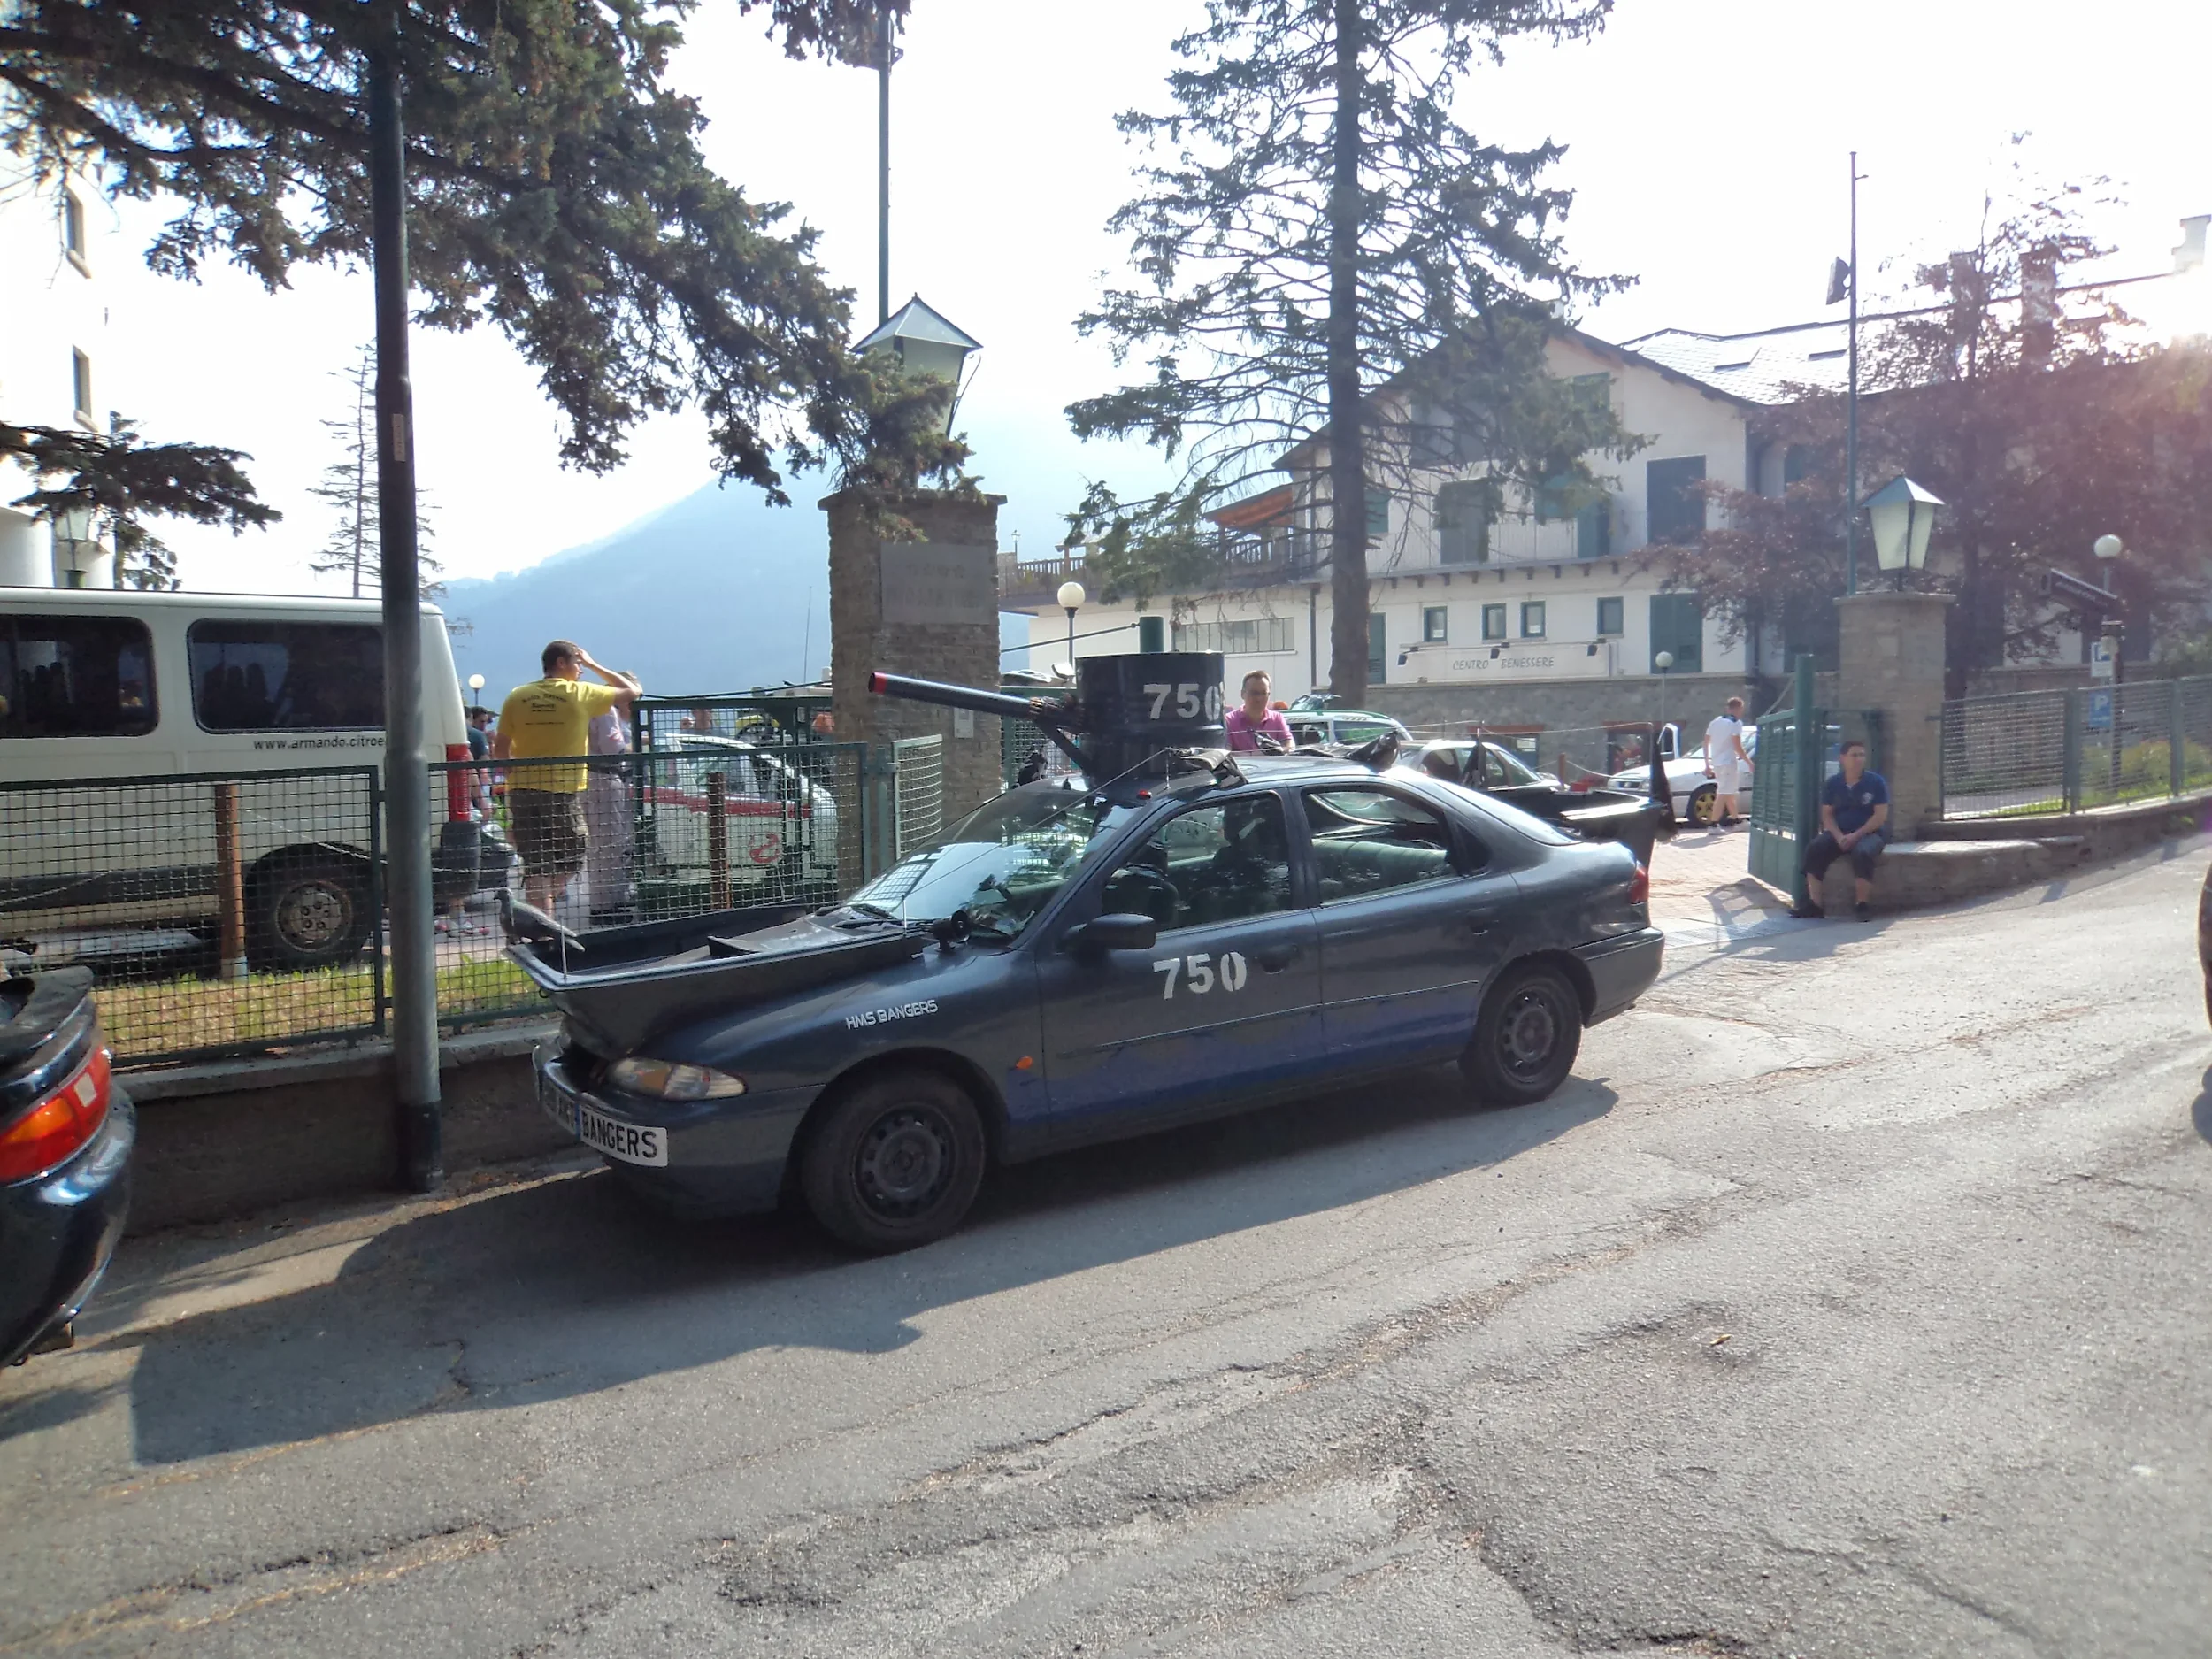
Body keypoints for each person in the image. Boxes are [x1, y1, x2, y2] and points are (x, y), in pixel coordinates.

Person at [494, 641, 641, 914]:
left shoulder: (517, 695)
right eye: (578, 664)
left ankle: (542, 926)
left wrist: (517, 777)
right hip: (561, 791)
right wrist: (595, 663)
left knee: (536, 863)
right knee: (576, 852)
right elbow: (633, 691)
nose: (581, 670)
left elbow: (500, 749)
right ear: (561, 663)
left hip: (521, 792)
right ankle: (548, 897)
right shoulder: (580, 692)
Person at [1796, 739, 1889, 922]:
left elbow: (1879, 816)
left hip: (1869, 833)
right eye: (1854, 755)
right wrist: (1839, 836)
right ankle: (1815, 905)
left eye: (1862, 755)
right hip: (1839, 833)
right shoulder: (1833, 784)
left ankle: (1862, 904)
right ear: (1843, 758)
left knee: (1863, 853)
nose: (1859, 759)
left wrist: (1856, 835)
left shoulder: (1876, 782)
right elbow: (1827, 815)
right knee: (1815, 849)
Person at [582, 706, 635, 926]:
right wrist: (640, 746)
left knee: (612, 845)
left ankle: (613, 900)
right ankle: (603, 907)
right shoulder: (604, 710)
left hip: (598, 778)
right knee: (605, 846)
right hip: (602, 777)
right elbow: (614, 750)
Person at [1704, 695, 1751, 827]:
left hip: (1717, 763)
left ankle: (1737, 820)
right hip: (1728, 762)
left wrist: (1707, 763)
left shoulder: (1715, 722)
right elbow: (1737, 746)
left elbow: (1706, 742)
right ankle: (1713, 824)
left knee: (1729, 792)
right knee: (1723, 793)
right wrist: (1749, 762)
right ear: (1738, 708)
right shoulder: (1736, 723)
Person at [1224, 670, 1294, 752]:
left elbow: (1290, 746)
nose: (1259, 698)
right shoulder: (1229, 721)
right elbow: (1226, 754)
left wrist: (1279, 752)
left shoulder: (1277, 719)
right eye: (1254, 693)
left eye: (1264, 693)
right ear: (1242, 694)